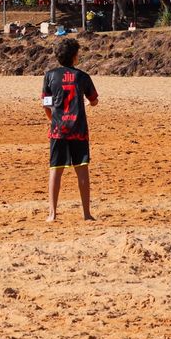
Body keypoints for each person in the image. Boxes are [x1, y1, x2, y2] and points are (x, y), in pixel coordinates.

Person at [42, 37, 98, 221]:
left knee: (55, 170)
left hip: (58, 129)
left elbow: (46, 105)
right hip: (78, 129)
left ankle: (52, 213)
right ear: (75, 56)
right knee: (82, 170)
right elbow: (94, 100)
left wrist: (54, 120)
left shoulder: (50, 76)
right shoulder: (82, 76)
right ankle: (86, 214)